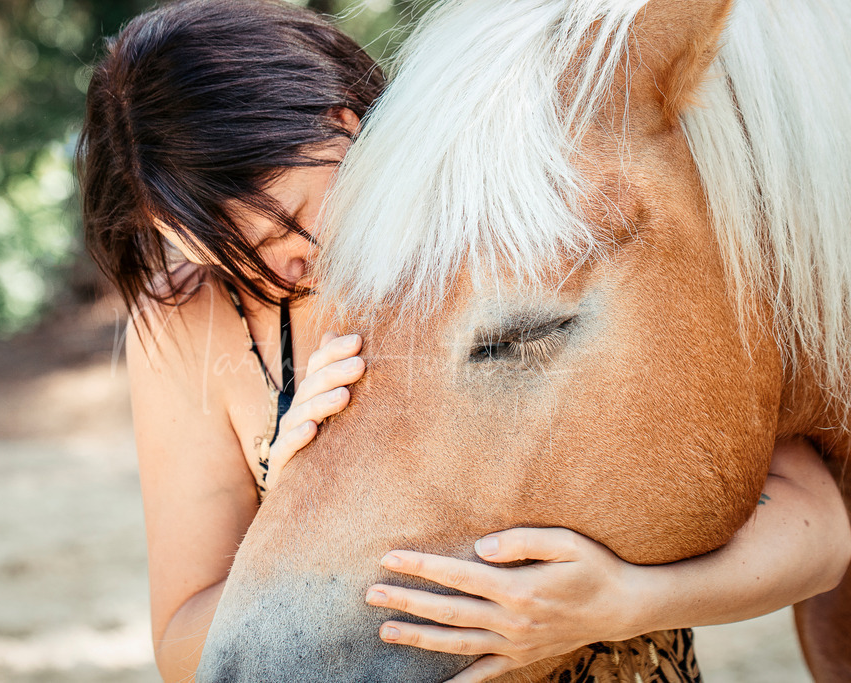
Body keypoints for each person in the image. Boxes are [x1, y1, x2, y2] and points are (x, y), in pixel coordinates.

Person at [76, 1, 851, 681]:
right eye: (213, 245)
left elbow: (812, 517)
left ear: (341, 122)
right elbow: (187, 643)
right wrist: (295, 472)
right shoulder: (193, 323)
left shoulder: (473, 230)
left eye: (284, 218)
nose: (282, 265)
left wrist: (621, 601)